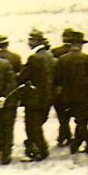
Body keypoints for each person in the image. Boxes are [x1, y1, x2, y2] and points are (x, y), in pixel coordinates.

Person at [55, 31, 88, 153]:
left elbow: (58, 78)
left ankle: (83, 140)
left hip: (68, 95)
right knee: (82, 120)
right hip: (83, 95)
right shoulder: (86, 58)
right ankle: (80, 142)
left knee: (72, 119)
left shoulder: (62, 59)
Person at [19, 30, 55, 161]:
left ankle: (39, 150)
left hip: (34, 98)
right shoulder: (49, 56)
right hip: (47, 97)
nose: (29, 43)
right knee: (38, 124)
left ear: (36, 42)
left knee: (32, 125)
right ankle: (39, 149)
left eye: (30, 40)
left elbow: (23, 76)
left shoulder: (34, 58)